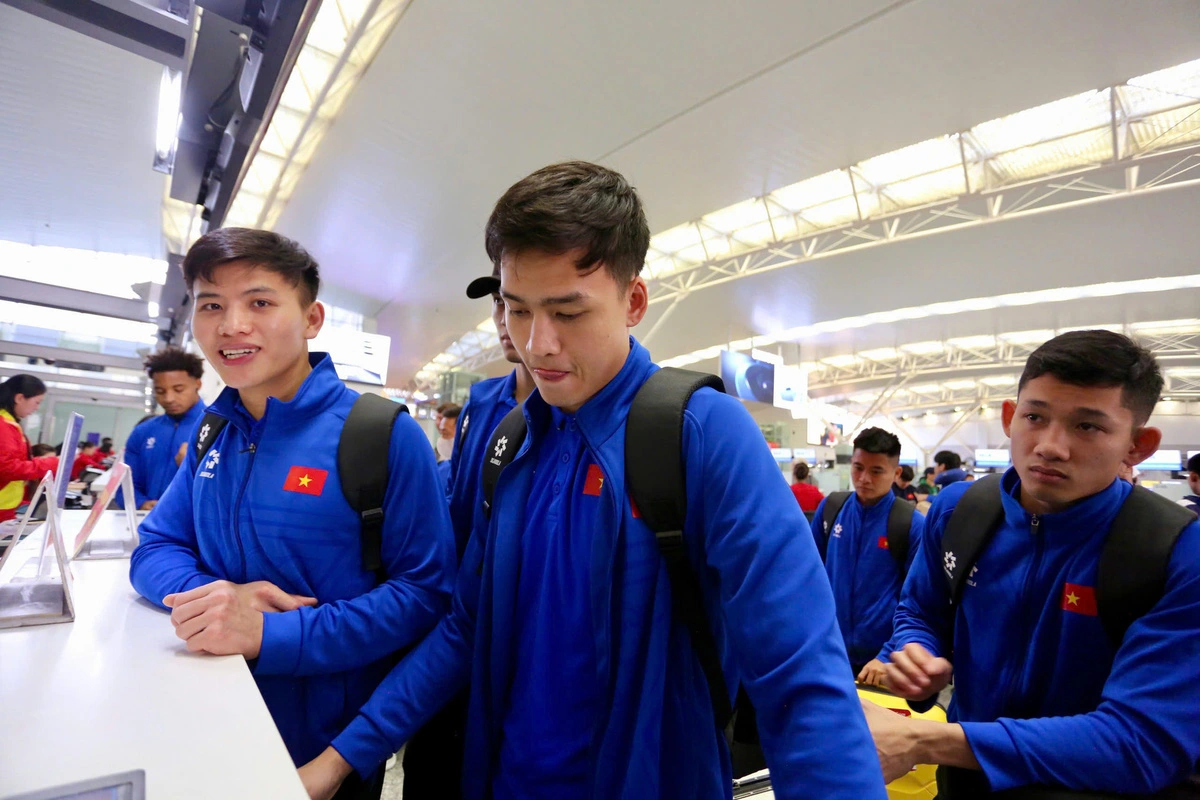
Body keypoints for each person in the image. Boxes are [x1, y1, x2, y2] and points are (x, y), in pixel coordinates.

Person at [298, 162, 887, 800]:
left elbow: (798, 669)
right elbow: (466, 626)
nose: (536, 344)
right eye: (518, 310)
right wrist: (338, 761)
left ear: (632, 301)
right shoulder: (513, 441)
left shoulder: (700, 433)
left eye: (568, 312)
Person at [128, 228, 456, 800]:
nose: (231, 325)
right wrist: (217, 598)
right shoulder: (216, 432)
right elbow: (154, 549)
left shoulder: (379, 434)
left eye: (259, 302)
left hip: (320, 748)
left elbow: (426, 595)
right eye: (212, 306)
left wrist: (274, 634)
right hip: (203, 711)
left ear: (312, 319)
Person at [866, 330, 1200, 796]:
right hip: (965, 781)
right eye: (1035, 416)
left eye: (1088, 426)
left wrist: (930, 740)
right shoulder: (959, 511)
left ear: (1137, 446)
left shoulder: (1175, 551)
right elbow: (921, 609)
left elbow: (1142, 742)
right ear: (1009, 416)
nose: (1050, 445)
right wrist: (918, 652)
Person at [401, 266, 537, 800]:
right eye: (503, 305)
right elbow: (461, 511)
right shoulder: (483, 403)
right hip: (461, 638)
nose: (507, 321)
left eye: (523, 307)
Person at [812, 428, 926, 684]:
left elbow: (918, 601)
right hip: (830, 653)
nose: (864, 478)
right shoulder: (831, 510)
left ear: (896, 474)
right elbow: (809, 576)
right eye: (858, 467)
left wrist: (888, 654)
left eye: (876, 471)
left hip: (881, 664)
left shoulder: (910, 525)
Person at [118, 347, 209, 511]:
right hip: (147, 524)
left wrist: (195, 465)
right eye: (160, 391)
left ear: (198, 383)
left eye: (178, 389)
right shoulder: (143, 432)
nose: (169, 398)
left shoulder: (221, 428)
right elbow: (124, 484)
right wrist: (141, 503)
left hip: (194, 528)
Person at [0, 375, 59, 522]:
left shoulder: (9, 423)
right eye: (36, 402)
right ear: (19, 398)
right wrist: (50, 463)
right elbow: (6, 467)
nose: (37, 408)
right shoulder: (3, 426)